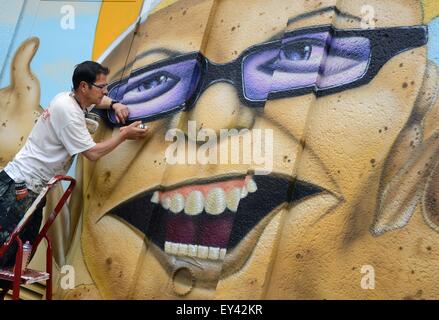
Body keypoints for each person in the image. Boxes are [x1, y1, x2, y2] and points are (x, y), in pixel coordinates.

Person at [0, 61, 148, 268]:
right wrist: (123, 135)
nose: (105, 91)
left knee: (20, 255)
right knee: (6, 255)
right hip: (19, 188)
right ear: (84, 87)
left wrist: (114, 104)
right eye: (101, 87)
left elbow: (99, 101)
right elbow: (93, 153)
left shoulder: (73, 99)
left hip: (31, 187)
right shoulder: (68, 112)